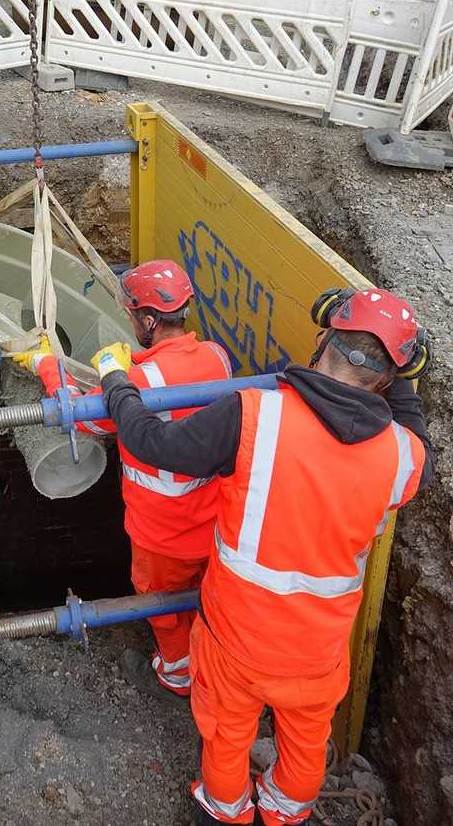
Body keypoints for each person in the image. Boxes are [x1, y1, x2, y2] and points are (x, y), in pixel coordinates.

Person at [91, 286, 433, 825]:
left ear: (324, 340)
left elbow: (154, 444)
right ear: (390, 378)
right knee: (304, 743)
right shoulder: (403, 455)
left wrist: (116, 383)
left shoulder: (253, 415)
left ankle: (225, 811)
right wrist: (403, 373)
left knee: (226, 734)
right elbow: (413, 431)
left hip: (238, 638)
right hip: (319, 650)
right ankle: (284, 813)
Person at [14, 260, 232, 700]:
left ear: (148, 321)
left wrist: (46, 364)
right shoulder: (217, 357)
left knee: (161, 604)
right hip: (215, 524)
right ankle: (213, 668)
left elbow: (83, 418)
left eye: (133, 315)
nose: (130, 322)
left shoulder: (139, 381)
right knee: (207, 599)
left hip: (162, 534)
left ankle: (177, 674)